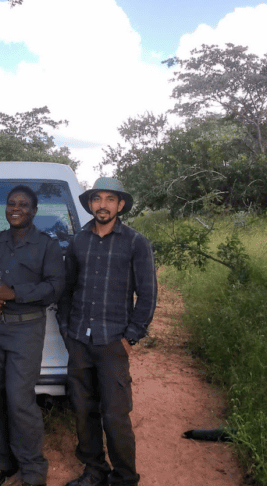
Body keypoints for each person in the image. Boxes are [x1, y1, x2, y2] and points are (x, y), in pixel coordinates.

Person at [56, 178, 157, 486]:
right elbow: (66, 290)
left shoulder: (136, 242)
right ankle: (94, 471)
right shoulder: (78, 241)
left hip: (113, 341)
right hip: (79, 340)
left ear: (120, 205)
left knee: (115, 415)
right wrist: (66, 329)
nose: (102, 205)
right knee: (84, 410)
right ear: (89, 204)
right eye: (97, 199)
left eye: (109, 199)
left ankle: (124, 477)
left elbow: (148, 294)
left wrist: (131, 337)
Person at [0, 185, 65, 486]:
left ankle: (33, 470)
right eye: (11, 203)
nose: (16, 208)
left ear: (34, 211)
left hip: (26, 330)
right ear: (5, 208)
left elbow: (55, 286)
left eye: (23, 204)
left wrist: (15, 293)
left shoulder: (47, 246)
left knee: (20, 400)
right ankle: (0, 462)